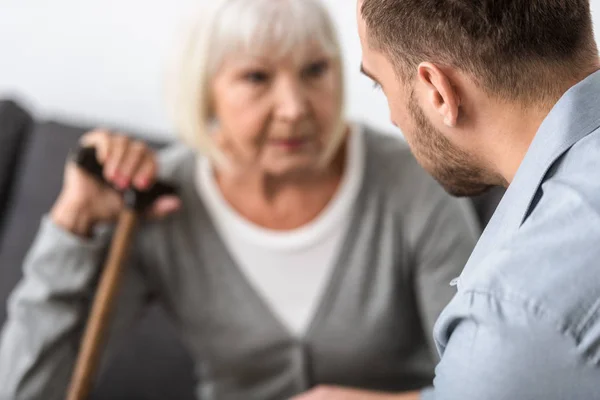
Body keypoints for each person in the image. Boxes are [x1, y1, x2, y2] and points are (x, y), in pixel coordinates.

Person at [0, 1, 480, 399]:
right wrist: (73, 223)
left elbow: (489, 380)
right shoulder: (155, 201)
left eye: (315, 70)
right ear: (206, 93)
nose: (294, 107)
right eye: (256, 78)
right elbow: (30, 390)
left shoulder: (414, 181)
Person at [356, 0, 600, 399]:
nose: (392, 119)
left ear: (438, 91)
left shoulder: (512, 317)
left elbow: (520, 348)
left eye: (379, 84)